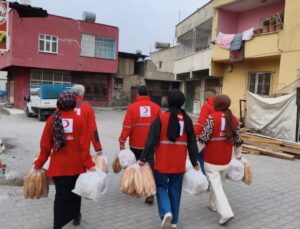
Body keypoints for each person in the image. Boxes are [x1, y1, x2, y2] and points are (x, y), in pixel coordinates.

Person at [139, 89, 199, 229]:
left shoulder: (161, 118)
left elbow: (151, 141)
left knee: (161, 187)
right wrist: (195, 161)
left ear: (169, 101)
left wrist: (143, 158)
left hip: (162, 161)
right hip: (179, 162)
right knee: (175, 189)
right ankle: (174, 221)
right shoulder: (187, 119)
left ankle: (166, 212)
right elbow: (192, 142)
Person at [34, 92, 95, 229]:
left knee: (61, 198)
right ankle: (75, 216)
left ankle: (58, 225)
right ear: (74, 104)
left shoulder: (52, 120)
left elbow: (45, 146)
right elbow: (84, 148)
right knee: (76, 193)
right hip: (76, 168)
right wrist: (90, 165)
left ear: (58, 104)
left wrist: (38, 164)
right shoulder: (80, 121)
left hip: (58, 169)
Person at [199, 94, 243, 225]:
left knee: (217, 186)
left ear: (217, 104)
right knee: (219, 184)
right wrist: (238, 155)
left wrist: (193, 153)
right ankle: (212, 204)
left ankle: (226, 213)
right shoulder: (234, 119)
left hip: (212, 159)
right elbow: (238, 140)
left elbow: (203, 138)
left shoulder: (212, 118)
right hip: (226, 159)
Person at [119, 85, 161, 204]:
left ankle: (136, 188)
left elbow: (127, 126)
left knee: (136, 167)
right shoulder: (156, 107)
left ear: (138, 94)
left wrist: (122, 141)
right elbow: (161, 126)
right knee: (149, 168)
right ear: (148, 94)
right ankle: (150, 193)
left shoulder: (132, 108)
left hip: (135, 144)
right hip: (151, 145)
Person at [71, 84, 103, 154]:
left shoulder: (63, 106)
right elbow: (93, 129)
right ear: (82, 94)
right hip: (83, 146)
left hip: (66, 146)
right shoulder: (87, 108)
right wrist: (98, 147)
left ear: (72, 93)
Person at [194, 89, 217, 174]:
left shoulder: (206, 106)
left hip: (205, 137)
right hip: (216, 139)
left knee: (199, 156)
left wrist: (194, 134)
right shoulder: (219, 107)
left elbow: (201, 124)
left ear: (207, 95)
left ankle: (203, 177)